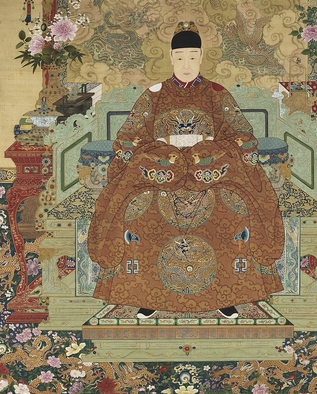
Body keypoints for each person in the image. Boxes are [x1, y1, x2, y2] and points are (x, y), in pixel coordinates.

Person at [88, 21, 285, 319]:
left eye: (193, 56)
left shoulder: (217, 93)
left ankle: (227, 296)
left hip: (209, 170)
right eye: (180, 57)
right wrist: (164, 152)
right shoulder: (153, 94)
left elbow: (242, 136)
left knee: (233, 209)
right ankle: (147, 296)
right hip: (161, 169)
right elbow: (129, 138)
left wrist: (207, 152)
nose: (186, 64)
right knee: (139, 209)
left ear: (202, 56)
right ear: (171, 58)